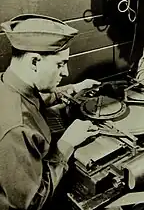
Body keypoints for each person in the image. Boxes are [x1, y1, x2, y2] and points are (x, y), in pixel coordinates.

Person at [0, 14, 101, 210]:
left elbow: (33, 98)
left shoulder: (8, 82)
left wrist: (74, 88)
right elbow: (34, 202)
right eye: (60, 64)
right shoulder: (15, 129)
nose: (66, 73)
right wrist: (67, 143)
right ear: (34, 62)